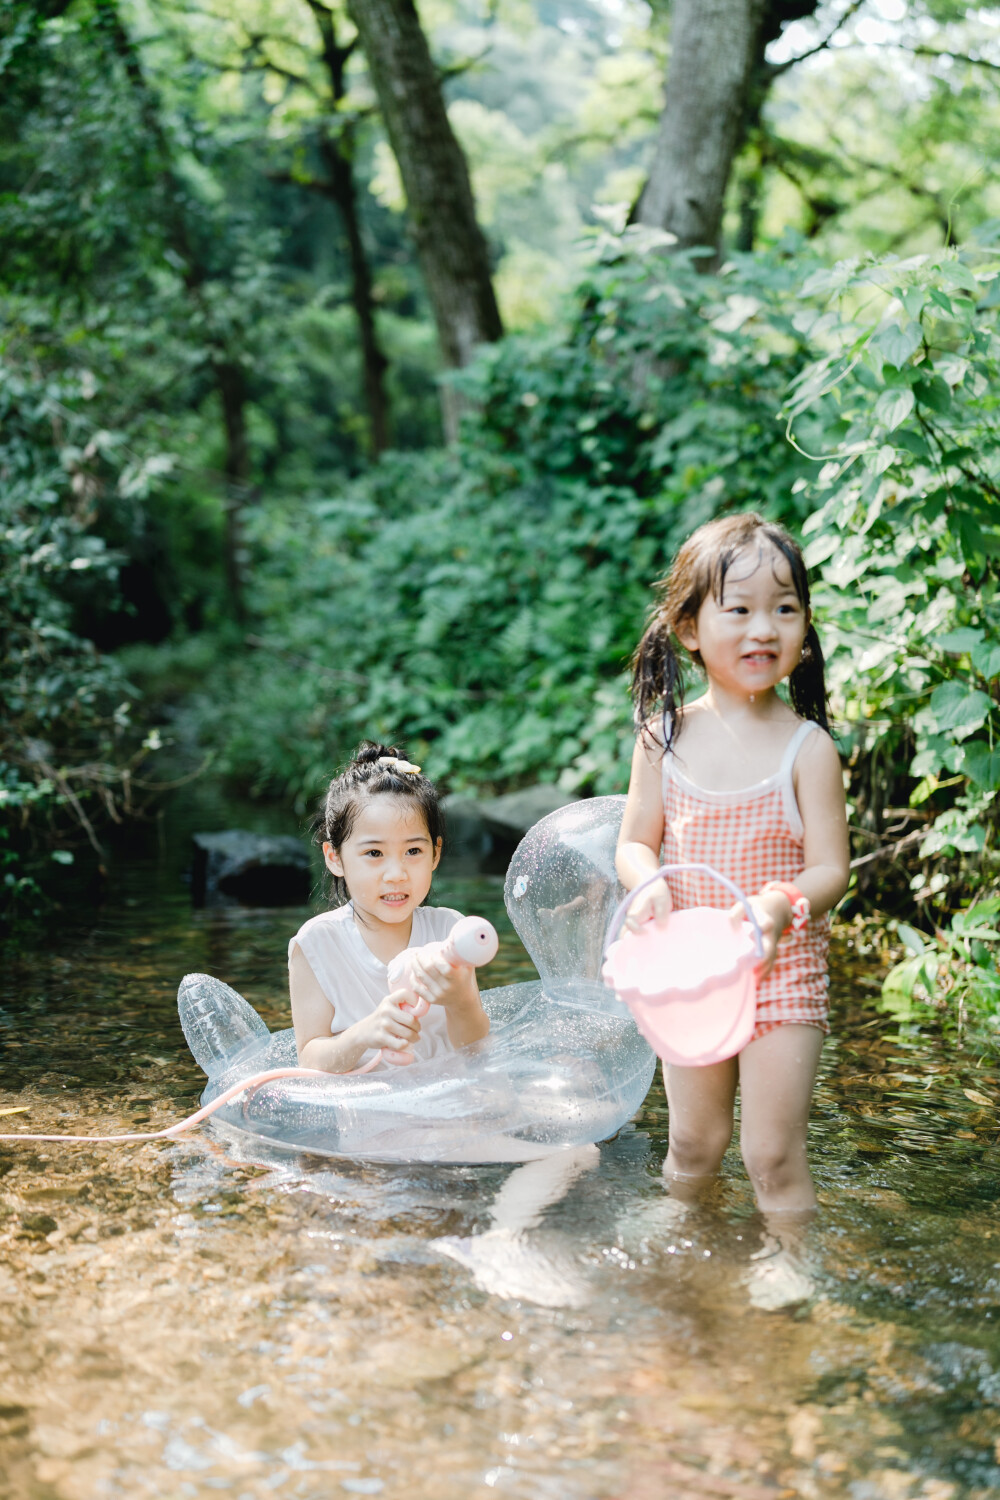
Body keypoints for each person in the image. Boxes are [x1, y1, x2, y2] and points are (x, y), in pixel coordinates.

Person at [616, 512, 850, 1237]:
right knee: (694, 1142)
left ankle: (790, 1265)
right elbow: (633, 843)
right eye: (739, 609)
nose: (763, 629)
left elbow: (831, 870)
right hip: (694, 975)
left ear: (804, 627)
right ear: (690, 628)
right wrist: (647, 883)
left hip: (782, 973)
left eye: (784, 609)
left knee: (770, 1152)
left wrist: (782, 903)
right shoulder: (665, 739)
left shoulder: (808, 749)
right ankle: (684, 1238)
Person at [290, 742, 490, 1073]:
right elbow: (309, 1059)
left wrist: (461, 1001)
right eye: (374, 854)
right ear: (335, 858)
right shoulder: (317, 944)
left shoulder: (448, 932)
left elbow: (476, 1052)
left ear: (435, 854)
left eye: (413, 851)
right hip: (368, 1113)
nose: (396, 875)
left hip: (448, 1105)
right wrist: (362, 1035)